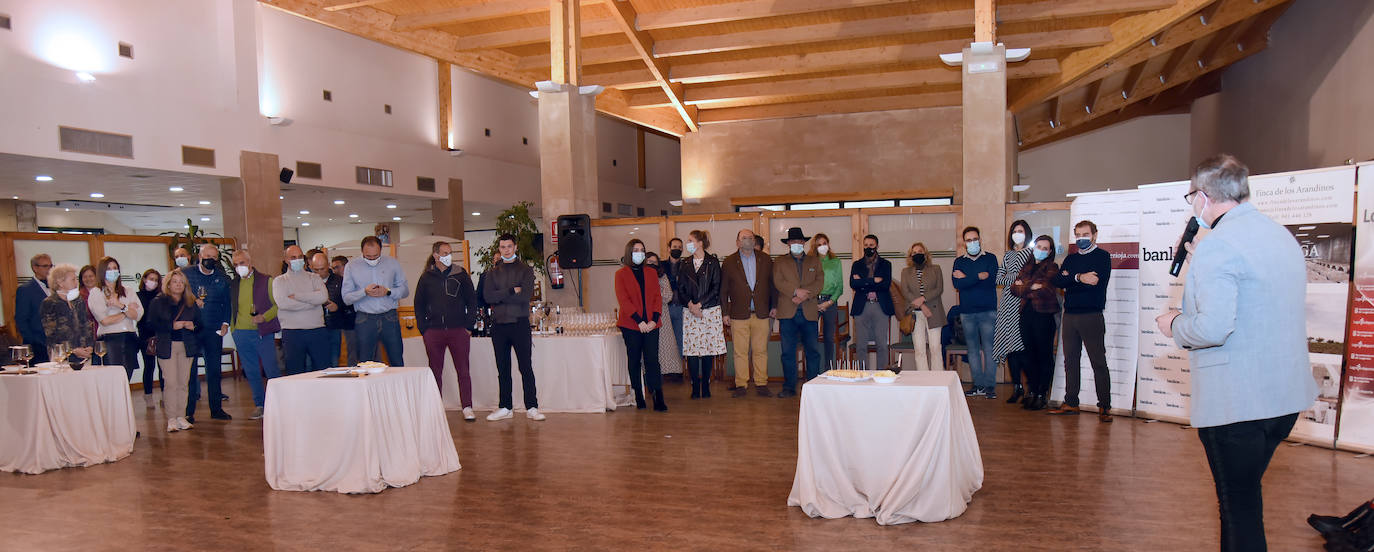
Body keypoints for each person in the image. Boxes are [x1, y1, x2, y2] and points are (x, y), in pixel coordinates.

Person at [1154, 154, 1318, 552]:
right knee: (1245, 498)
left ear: (1205, 196)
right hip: (1283, 399)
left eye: (1192, 195)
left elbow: (1212, 328)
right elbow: (1257, 300)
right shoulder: (1279, 235)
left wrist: (1173, 323)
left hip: (1238, 403)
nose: (1193, 205)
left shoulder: (1219, 245)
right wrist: (1201, 264)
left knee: (1238, 510)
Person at [1048, 220, 1113, 420]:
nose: (1081, 238)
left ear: (1094, 235)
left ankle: (1104, 406)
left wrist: (1072, 280)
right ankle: (1071, 402)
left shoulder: (1103, 257)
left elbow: (1095, 281)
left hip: (1091, 315)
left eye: (1085, 234)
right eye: (1077, 235)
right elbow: (1058, 280)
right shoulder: (1071, 258)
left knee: (1098, 361)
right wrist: (1078, 278)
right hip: (1070, 316)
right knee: (1070, 361)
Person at [415, 241, 478, 421]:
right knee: (435, 370)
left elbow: (472, 301)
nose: (448, 256)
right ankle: (436, 405)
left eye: (449, 252)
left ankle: (467, 406)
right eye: (444, 253)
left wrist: (468, 325)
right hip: (433, 331)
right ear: (436, 255)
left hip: (458, 329)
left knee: (463, 370)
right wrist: (424, 329)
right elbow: (418, 304)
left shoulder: (460, 274)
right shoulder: (426, 277)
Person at [483, 234, 543, 421]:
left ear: (515, 247)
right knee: (503, 368)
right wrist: (510, 290)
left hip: (520, 323)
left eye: (509, 246)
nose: (506, 250)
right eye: (502, 247)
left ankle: (532, 406)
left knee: (525, 367)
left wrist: (500, 295)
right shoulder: (492, 273)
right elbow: (487, 297)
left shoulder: (526, 270)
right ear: (499, 249)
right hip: (499, 325)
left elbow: (524, 297)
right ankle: (505, 407)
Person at [614, 239, 669, 412]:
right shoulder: (621, 274)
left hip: (652, 324)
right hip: (631, 324)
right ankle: (638, 394)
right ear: (629, 252)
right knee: (635, 360)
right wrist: (639, 321)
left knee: (652, 359)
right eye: (636, 250)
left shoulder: (651, 272)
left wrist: (653, 319)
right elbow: (624, 300)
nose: (640, 252)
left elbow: (657, 297)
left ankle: (658, 395)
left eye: (642, 250)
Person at [720, 228, 775, 397]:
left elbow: (772, 285)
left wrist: (774, 306)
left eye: (750, 237)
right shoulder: (729, 262)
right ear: (737, 242)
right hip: (738, 313)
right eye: (744, 238)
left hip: (761, 312)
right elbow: (723, 290)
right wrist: (725, 312)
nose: (748, 240)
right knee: (740, 352)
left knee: (761, 350)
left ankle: (761, 383)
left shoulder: (766, 260)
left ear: (755, 240)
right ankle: (741, 385)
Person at [183, 243, 233, 422]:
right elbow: (177, 296)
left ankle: (216, 409)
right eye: (207, 257)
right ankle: (188, 412)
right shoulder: (186, 274)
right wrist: (192, 300)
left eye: (214, 258)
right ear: (199, 256)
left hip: (213, 329)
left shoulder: (221, 277)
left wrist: (226, 323)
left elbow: (227, 303)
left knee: (214, 371)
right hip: (191, 330)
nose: (210, 260)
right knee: (190, 372)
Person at [229, 250, 281, 420]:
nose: (239, 267)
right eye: (235, 264)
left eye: (242, 263)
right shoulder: (234, 283)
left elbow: (277, 305)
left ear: (250, 262)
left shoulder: (266, 280)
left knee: (270, 368)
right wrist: (233, 328)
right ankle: (260, 404)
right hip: (240, 333)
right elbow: (232, 307)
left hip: (262, 332)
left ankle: (279, 403)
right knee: (251, 371)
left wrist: (263, 317)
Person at [147, 269, 201, 433]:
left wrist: (194, 326)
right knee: (170, 383)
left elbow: (201, 325)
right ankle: (171, 418)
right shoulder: (158, 302)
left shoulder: (191, 302)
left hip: (187, 346)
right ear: (168, 284)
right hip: (167, 345)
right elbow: (150, 324)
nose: (178, 285)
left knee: (183, 383)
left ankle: (181, 416)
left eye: (181, 282)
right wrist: (171, 326)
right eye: (175, 281)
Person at [1010, 235, 1059, 411]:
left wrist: (1025, 286)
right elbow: (1014, 289)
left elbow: (1045, 288)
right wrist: (1032, 286)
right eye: (1039, 246)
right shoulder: (1026, 266)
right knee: (1028, 356)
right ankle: (1032, 391)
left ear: (1050, 251)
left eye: (1045, 248)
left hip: (1044, 317)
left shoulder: (1052, 267)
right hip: (1026, 316)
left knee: (1043, 356)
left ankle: (1042, 394)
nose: (1041, 250)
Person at [342, 236, 408, 365]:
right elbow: (346, 298)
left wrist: (388, 291)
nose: (372, 259)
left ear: (381, 250)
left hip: (390, 317)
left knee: (397, 360)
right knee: (365, 363)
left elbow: (405, 290)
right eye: (368, 256)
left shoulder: (392, 263)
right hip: (365, 319)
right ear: (362, 251)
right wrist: (364, 292)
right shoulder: (351, 266)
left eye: (375, 256)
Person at [675, 229, 724, 399]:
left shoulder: (712, 262)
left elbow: (716, 287)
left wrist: (700, 304)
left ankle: (706, 385)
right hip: (690, 311)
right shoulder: (685, 263)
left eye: (690, 240)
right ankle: (695, 386)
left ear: (700, 243)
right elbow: (680, 288)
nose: (688, 243)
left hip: (708, 310)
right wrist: (690, 304)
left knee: (708, 349)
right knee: (692, 351)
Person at [774, 227, 823, 397]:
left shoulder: (814, 261)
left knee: (813, 352)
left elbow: (819, 282)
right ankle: (789, 387)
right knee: (788, 353)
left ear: (804, 242)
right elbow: (778, 281)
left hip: (809, 311)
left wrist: (803, 295)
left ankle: (812, 386)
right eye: (793, 241)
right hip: (788, 313)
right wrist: (795, 291)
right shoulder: (780, 262)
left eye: (799, 241)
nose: (796, 244)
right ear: (788, 243)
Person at [952, 226, 999, 399]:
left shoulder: (991, 258)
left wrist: (966, 278)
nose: (972, 242)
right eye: (969, 240)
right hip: (967, 312)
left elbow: (991, 281)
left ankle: (989, 387)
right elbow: (957, 285)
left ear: (980, 239)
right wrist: (978, 277)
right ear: (964, 243)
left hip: (988, 311)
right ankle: (978, 385)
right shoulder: (959, 261)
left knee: (989, 350)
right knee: (972, 351)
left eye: (975, 239)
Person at [995, 219, 1034, 404]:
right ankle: (1016, 386)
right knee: (1009, 348)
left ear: (1027, 233)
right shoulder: (1008, 255)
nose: (1017, 234)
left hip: (1023, 304)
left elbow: (1028, 278)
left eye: (1020, 230)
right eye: (1014, 231)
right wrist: (1015, 278)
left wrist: (1014, 278)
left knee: (1021, 347)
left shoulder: (1031, 254)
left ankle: (1029, 388)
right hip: (1006, 305)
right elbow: (998, 278)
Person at [274, 245, 330, 376]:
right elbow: (283, 303)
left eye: (300, 257)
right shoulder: (279, 281)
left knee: (324, 370)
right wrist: (312, 302)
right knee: (295, 372)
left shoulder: (314, 277)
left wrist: (297, 296)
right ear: (286, 259)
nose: (297, 260)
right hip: (292, 333)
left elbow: (322, 297)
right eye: (293, 257)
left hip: (317, 330)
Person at [88, 256, 143, 380]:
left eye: (115, 268)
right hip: (110, 340)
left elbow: (138, 314)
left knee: (126, 378)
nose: (113, 271)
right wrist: (126, 311)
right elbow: (105, 321)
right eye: (108, 268)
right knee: (113, 379)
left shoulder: (128, 291)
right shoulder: (96, 292)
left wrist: (120, 306)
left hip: (129, 337)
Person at [849, 234, 894, 371]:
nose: (868, 248)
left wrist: (863, 282)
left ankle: (882, 374)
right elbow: (853, 284)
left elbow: (885, 285)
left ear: (877, 246)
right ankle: (863, 375)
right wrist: (874, 281)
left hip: (880, 306)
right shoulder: (857, 264)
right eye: (866, 245)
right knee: (861, 345)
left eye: (871, 245)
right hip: (862, 307)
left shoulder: (886, 264)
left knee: (881, 344)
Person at [900, 242, 946, 371]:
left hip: (934, 312)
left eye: (920, 251)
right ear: (910, 256)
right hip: (915, 314)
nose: (917, 254)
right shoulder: (905, 272)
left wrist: (923, 299)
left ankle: (938, 379)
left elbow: (939, 289)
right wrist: (921, 305)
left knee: (935, 347)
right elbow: (905, 291)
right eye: (914, 252)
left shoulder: (935, 269)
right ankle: (923, 378)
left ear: (925, 254)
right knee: (919, 350)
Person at [39, 264, 94, 364]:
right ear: (60, 282)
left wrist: (89, 346)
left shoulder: (78, 300)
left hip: (83, 354)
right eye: (73, 279)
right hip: (61, 355)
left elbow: (86, 324)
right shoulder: (50, 303)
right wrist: (72, 350)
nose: (76, 282)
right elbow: (51, 333)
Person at [646, 253, 682, 379]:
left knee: (665, 348)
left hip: (662, 316)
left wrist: (654, 293)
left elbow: (668, 296)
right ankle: (648, 373)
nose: (651, 264)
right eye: (649, 261)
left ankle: (665, 373)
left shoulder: (662, 277)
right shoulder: (640, 277)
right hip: (646, 317)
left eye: (654, 262)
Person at [313, 253, 351, 367]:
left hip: (334, 325)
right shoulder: (309, 280)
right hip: (314, 326)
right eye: (316, 270)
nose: (319, 273)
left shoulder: (340, 281)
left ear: (328, 265)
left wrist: (337, 306)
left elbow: (348, 303)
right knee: (314, 363)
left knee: (334, 361)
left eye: (322, 269)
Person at [15, 253, 54, 364]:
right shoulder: (25, 290)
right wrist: (34, 341)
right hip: (37, 345)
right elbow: (21, 319)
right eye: (45, 266)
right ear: (35, 268)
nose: (49, 269)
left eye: (51, 266)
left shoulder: (55, 287)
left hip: (56, 343)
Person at [812, 233, 843, 370]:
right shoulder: (810, 261)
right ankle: (814, 371)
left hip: (830, 301)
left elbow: (840, 286)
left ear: (828, 244)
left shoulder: (835, 261)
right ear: (815, 247)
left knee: (829, 338)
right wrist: (814, 302)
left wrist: (830, 301)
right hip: (813, 302)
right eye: (819, 244)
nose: (822, 246)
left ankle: (828, 369)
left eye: (824, 243)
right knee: (811, 337)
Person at [136, 269, 164, 409]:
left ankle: (165, 395)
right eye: (150, 278)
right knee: (149, 366)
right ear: (144, 279)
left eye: (156, 279)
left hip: (160, 335)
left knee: (162, 367)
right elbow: (138, 318)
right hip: (145, 336)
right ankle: (148, 396)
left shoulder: (161, 296)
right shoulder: (137, 296)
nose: (153, 281)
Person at [330, 254, 360, 364]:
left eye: (337, 267)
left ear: (346, 266)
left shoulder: (356, 279)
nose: (335, 270)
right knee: (352, 351)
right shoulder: (335, 282)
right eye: (333, 268)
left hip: (362, 318)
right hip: (347, 322)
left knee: (369, 350)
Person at [664, 237, 687, 363]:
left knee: (680, 339)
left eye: (679, 248)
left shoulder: (686, 265)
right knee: (666, 339)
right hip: (665, 307)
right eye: (674, 247)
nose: (677, 250)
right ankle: (667, 367)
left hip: (681, 307)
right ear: (669, 249)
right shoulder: (661, 265)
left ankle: (678, 369)